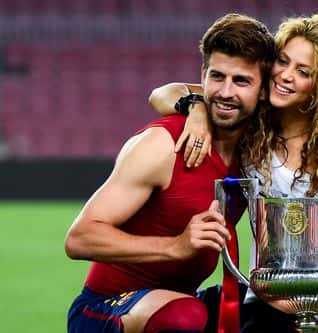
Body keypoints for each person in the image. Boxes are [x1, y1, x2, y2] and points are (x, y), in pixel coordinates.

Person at [148, 13, 318, 333]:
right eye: (282, 61)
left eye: (303, 72)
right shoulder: (253, 129)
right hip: (264, 307)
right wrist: (197, 108)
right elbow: (162, 93)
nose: (285, 76)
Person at [64, 13, 275, 333]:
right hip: (105, 309)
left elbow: (168, 91)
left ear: (263, 90)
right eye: (217, 77)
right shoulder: (164, 145)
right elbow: (78, 239)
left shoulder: (254, 148)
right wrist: (176, 246)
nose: (226, 92)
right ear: (203, 75)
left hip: (179, 301)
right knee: (185, 318)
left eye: (241, 81)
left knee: (269, 308)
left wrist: (196, 105)